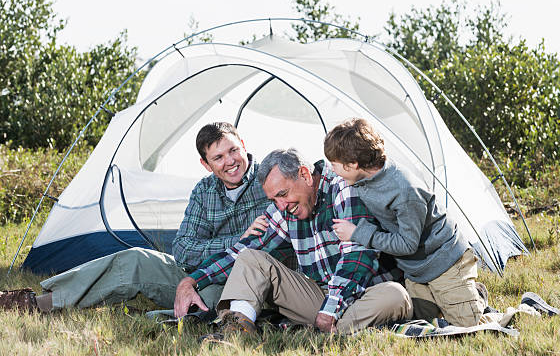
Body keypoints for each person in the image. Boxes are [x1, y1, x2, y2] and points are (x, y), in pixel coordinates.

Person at [0, 122, 279, 313]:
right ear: (205, 164)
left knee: (209, 302)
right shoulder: (204, 190)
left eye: (233, 150)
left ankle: (159, 313)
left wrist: (211, 258)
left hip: (237, 283)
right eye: (218, 157)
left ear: (243, 144)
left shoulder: (270, 180)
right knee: (134, 259)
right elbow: (182, 250)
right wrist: (234, 241)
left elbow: (267, 250)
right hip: (196, 273)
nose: (230, 161)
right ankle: (37, 303)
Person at [174, 148, 412, 334]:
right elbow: (243, 251)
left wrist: (332, 309)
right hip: (321, 298)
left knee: (395, 295)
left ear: (305, 175)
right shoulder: (285, 208)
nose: (281, 206)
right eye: (274, 200)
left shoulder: (342, 187)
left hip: (364, 293)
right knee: (251, 258)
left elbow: (357, 258)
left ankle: (328, 329)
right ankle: (237, 329)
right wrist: (191, 280)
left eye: (282, 195)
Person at [324, 118, 486, 327]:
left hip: (445, 261)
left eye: (334, 164)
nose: (332, 169)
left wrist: (358, 233)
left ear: (353, 164)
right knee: (419, 322)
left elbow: (407, 244)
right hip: (415, 271)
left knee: (468, 326)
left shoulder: (404, 190)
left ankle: (476, 297)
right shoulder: (361, 179)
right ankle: (460, 299)